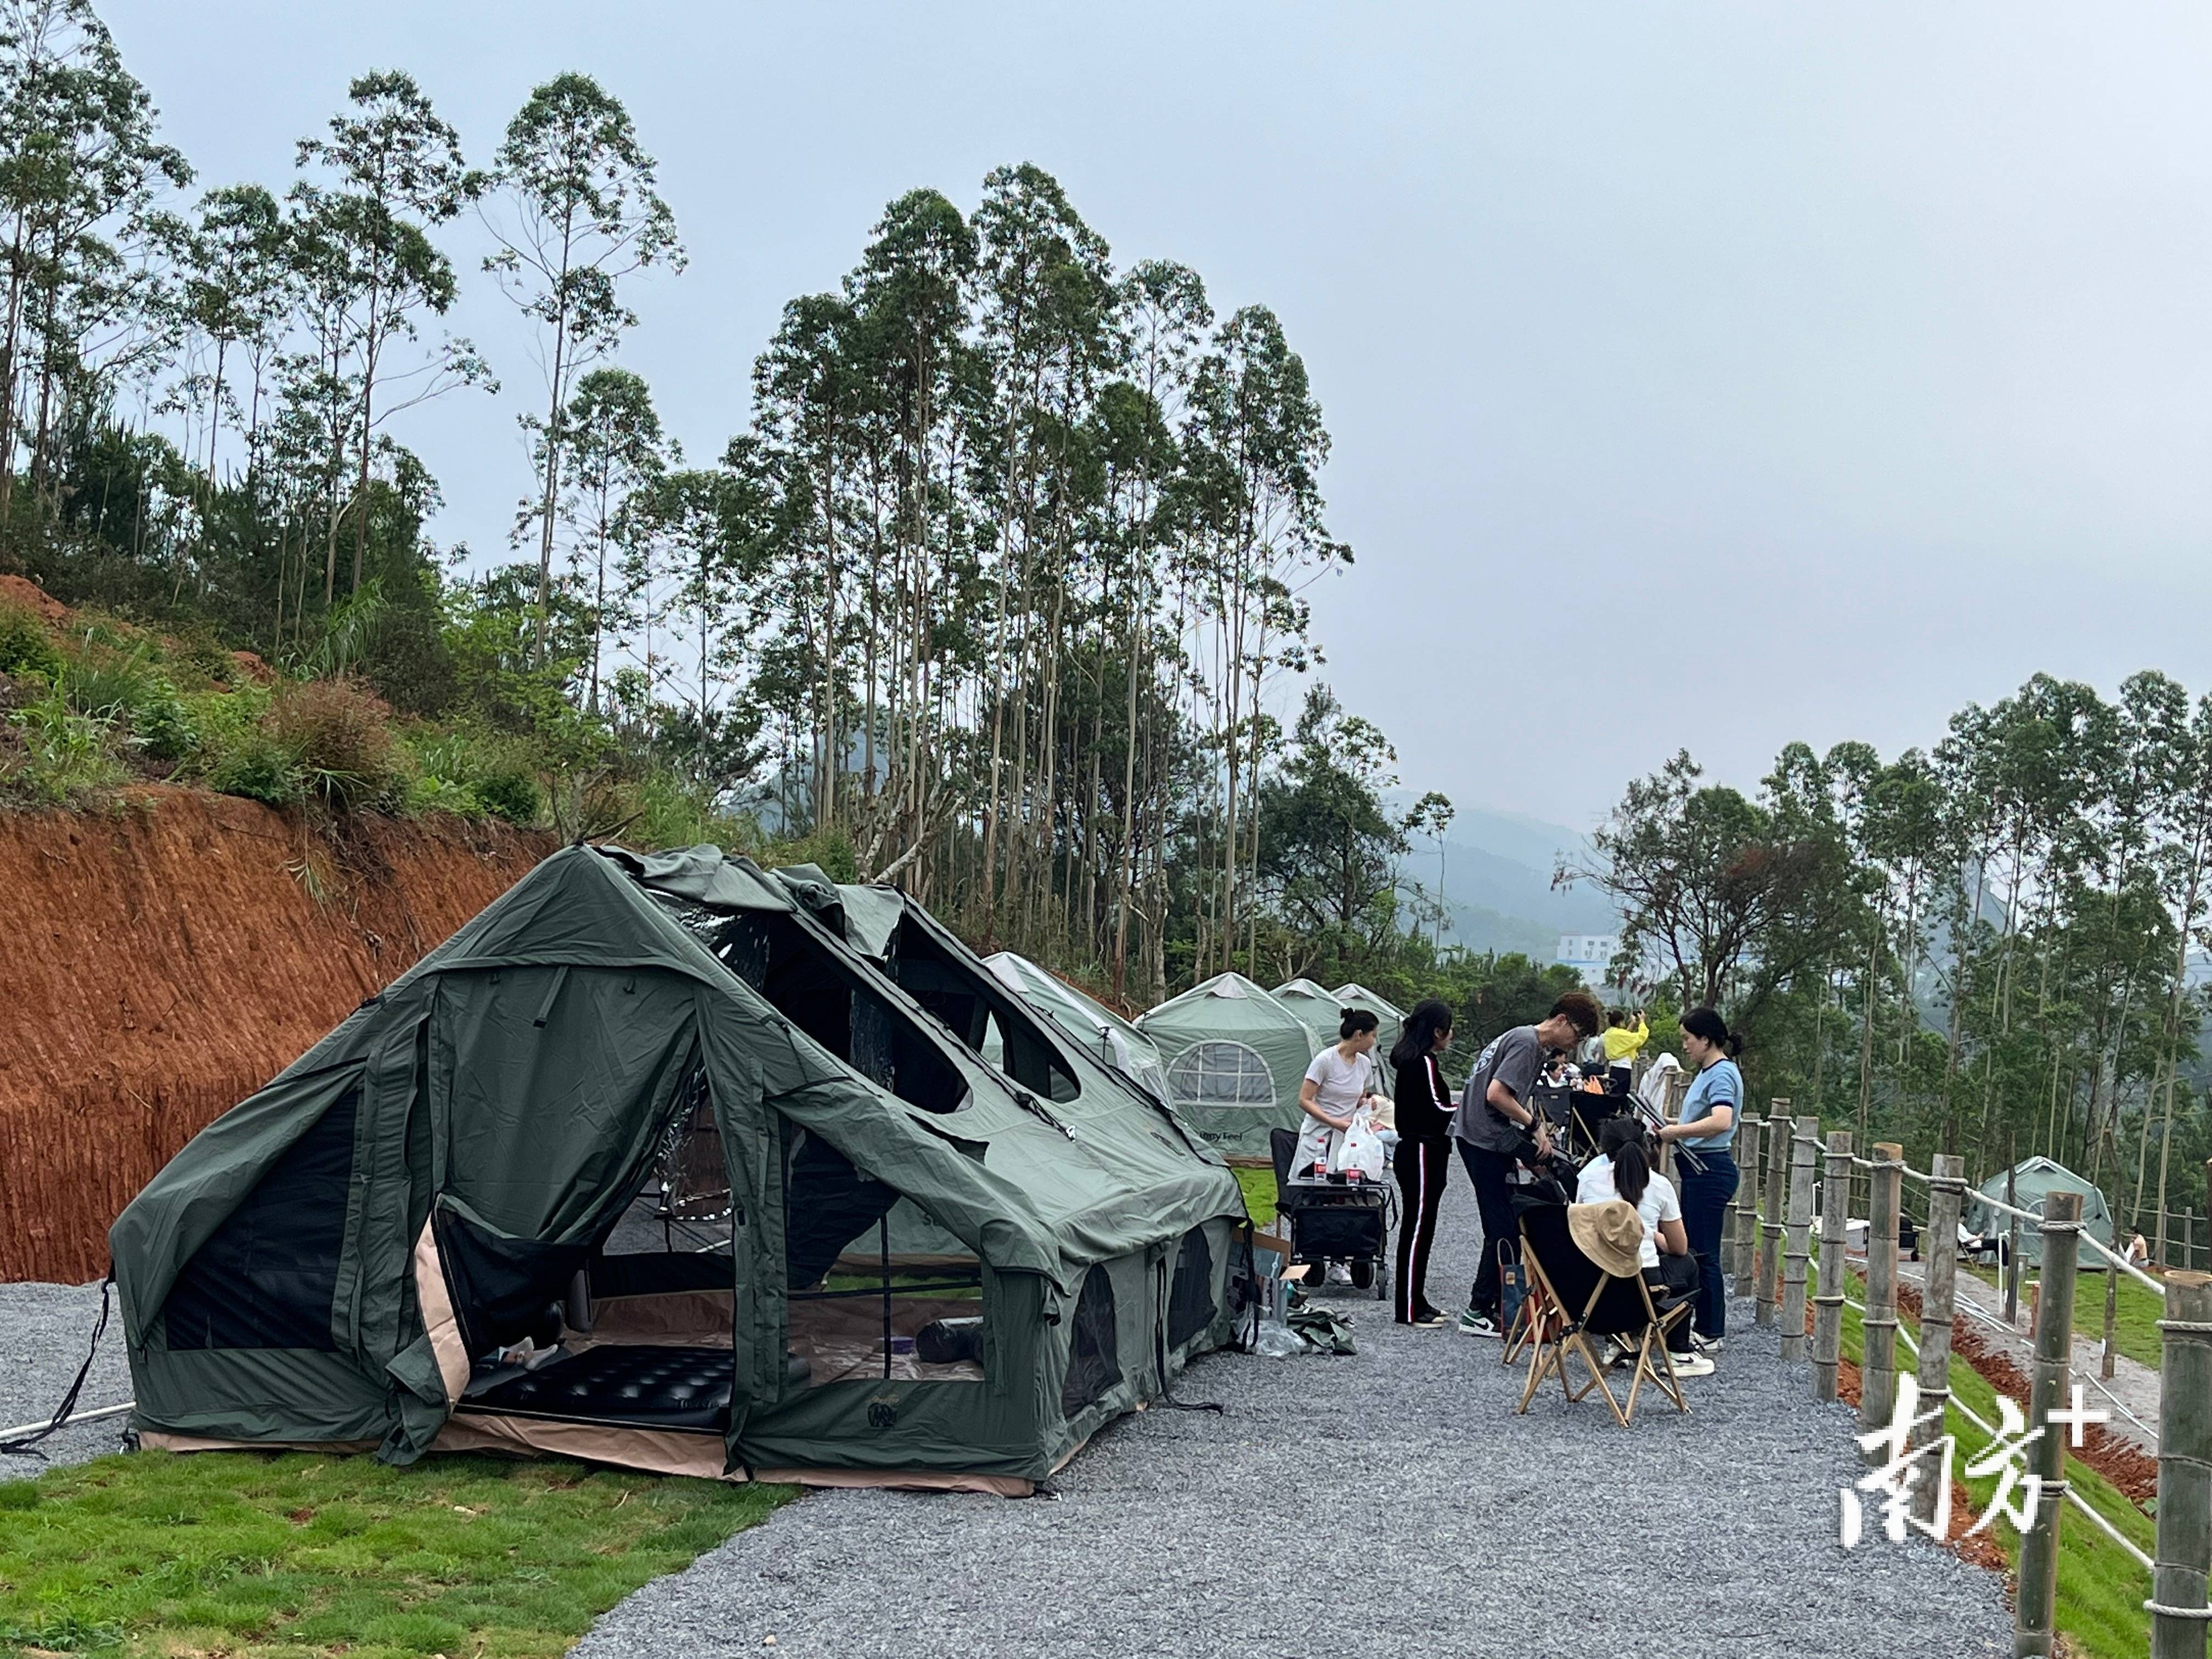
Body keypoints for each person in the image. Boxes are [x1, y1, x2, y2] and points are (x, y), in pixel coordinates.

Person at [1451, 989, 1604, 1337]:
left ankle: (1491, 1306)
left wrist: (1532, 1146)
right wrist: (1536, 1129)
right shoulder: (1527, 1044)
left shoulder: (1523, 1038)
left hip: (1485, 1135)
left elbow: (1513, 1099)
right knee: (1502, 1227)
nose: (1574, 1045)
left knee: (1506, 1222)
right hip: (1484, 1138)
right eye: (1577, 1036)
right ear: (1562, 1020)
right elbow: (1497, 1095)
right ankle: (1479, 1310)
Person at [1577, 1115, 1712, 1375]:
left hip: (1592, 1288)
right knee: (1688, 1263)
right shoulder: (1659, 1185)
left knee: (1610, 1262)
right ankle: (1678, 1351)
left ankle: (1615, 1344)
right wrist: (1653, 1235)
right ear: (1646, 1145)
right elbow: (1679, 1248)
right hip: (1642, 1288)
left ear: (1605, 1149)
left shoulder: (1589, 1180)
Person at [1655, 1006, 1742, 1354]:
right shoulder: (1709, 1073)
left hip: (1710, 1169)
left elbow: (1721, 1120)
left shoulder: (1722, 1074)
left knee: (1704, 1254)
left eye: (1688, 1039)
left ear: (1706, 1039)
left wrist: (1676, 1132)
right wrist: (1670, 1124)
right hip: (1697, 1168)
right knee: (1693, 1248)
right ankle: (1698, 1324)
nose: (1686, 1046)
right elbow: (1700, 1119)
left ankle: (1710, 1329)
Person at [1390, 998, 1457, 1328]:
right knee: (1417, 1230)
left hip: (1422, 1151)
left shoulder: (1416, 1062)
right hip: (1421, 1151)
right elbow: (1437, 1109)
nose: (1451, 1034)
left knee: (1422, 1228)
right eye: (1449, 1028)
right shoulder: (1425, 1063)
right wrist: (1465, 1110)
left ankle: (1417, 1299)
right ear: (1437, 1031)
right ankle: (1408, 1308)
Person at [1295, 1008, 1388, 1177]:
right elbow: (1304, 1100)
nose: (1374, 1042)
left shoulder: (1365, 1064)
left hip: (1347, 1138)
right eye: (1373, 1035)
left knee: (1344, 1189)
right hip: (1319, 1136)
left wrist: (1367, 1103)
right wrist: (1334, 1122)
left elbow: (1360, 1097)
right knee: (1314, 1188)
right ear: (1360, 1035)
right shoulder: (1325, 1060)